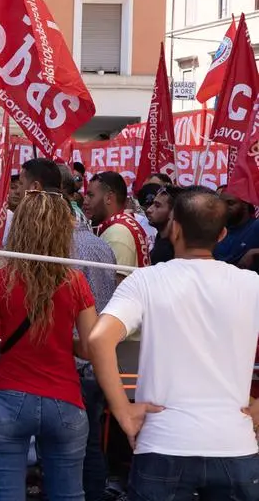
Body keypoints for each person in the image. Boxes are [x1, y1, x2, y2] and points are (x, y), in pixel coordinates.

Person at [89, 187, 259, 500]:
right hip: (235, 444)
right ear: (222, 235)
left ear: (174, 227)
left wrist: (123, 412)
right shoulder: (251, 284)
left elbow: (99, 338)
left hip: (163, 444)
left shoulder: (146, 280)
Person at [0, 190, 98, 501]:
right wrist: (60, 340)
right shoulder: (75, 281)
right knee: (68, 494)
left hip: (7, 399)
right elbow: (91, 348)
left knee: (5, 493)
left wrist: (3, 343)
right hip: (64, 399)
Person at [57, 164, 117, 501]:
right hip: (98, 361)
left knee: (64, 447)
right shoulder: (101, 246)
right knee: (91, 441)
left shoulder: (59, 252)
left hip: (70, 358)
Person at [83, 172, 151, 284]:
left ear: (109, 198)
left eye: (91, 195)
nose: (85, 201)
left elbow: (115, 286)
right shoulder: (122, 225)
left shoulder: (118, 232)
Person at [214, 189, 259, 270]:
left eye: (230, 203)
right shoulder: (216, 229)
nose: (224, 208)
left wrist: (254, 252)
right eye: (221, 204)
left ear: (245, 204)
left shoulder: (256, 226)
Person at [145, 187, 178, 265]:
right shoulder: (159, 237)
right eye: (152, 204)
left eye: (157, 206)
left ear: (172, 212)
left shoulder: (172, 251)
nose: (149, 210)